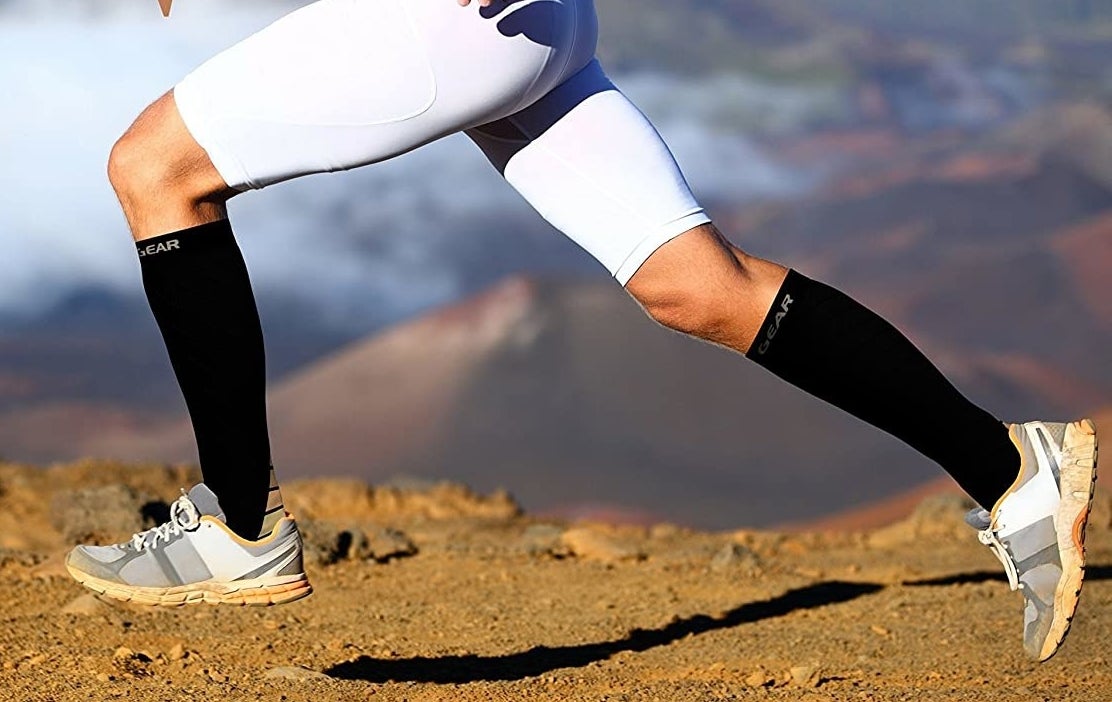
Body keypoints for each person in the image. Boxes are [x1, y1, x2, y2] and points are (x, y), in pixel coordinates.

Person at [64, 0, 1099, 662]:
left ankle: (240, 528)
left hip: (446, 20)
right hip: (534, 23)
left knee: (155, 167)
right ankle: (1007, 464)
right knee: (698, 287)